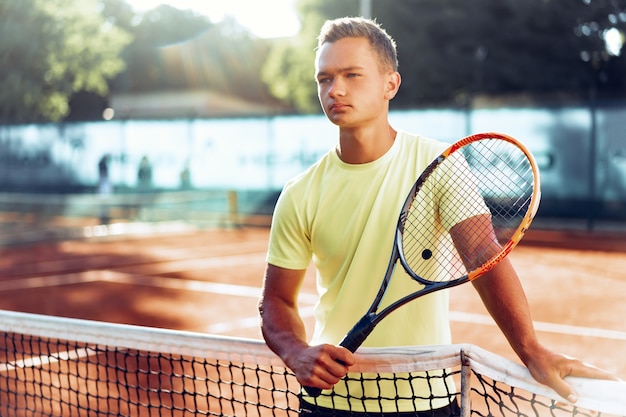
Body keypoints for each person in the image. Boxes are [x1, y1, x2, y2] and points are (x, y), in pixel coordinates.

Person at [258, 17, 613, 417]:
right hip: (329, 405)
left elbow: (482, 255)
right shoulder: (300, 192)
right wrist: (296, 351)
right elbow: (276, 301)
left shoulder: (439, 164)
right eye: (324, 78)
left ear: (390, 84)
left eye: (352, 75)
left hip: (424, 399)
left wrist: (530, 348)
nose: (335, 89)